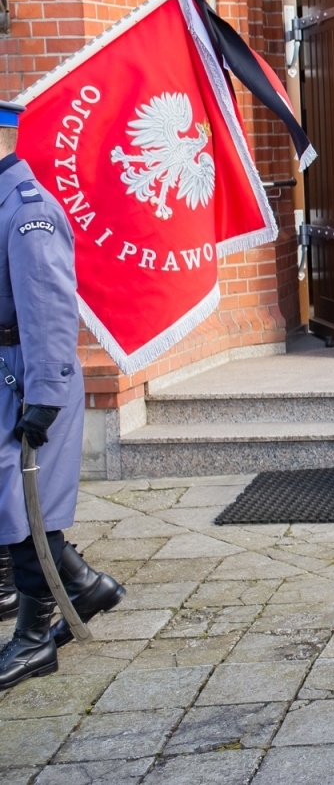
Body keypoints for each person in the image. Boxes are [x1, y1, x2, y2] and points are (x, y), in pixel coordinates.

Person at [0, 97, 125, 691]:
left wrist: (44, 396)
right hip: (8, 371)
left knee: (25, 512)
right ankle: (84, 587)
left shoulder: (29, 211)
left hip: (28, 375)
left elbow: (49, 310)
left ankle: (33, 640)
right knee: (18, 509)